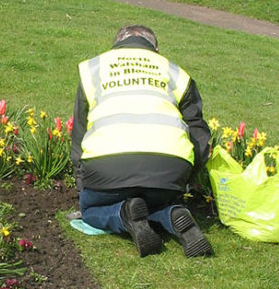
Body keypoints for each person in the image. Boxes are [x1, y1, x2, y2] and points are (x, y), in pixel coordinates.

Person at [70, 25, 213, 257]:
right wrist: (186, 180)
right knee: (157, 202)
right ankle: (171, 214)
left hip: (107, 167)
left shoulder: (94, 69)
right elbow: (199, 135)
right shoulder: (176, 73)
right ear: (155, 48)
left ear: (115, 45)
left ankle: (124, 214)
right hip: (167, 168)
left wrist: (81, 183)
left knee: (91, 210)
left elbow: (79, 132)